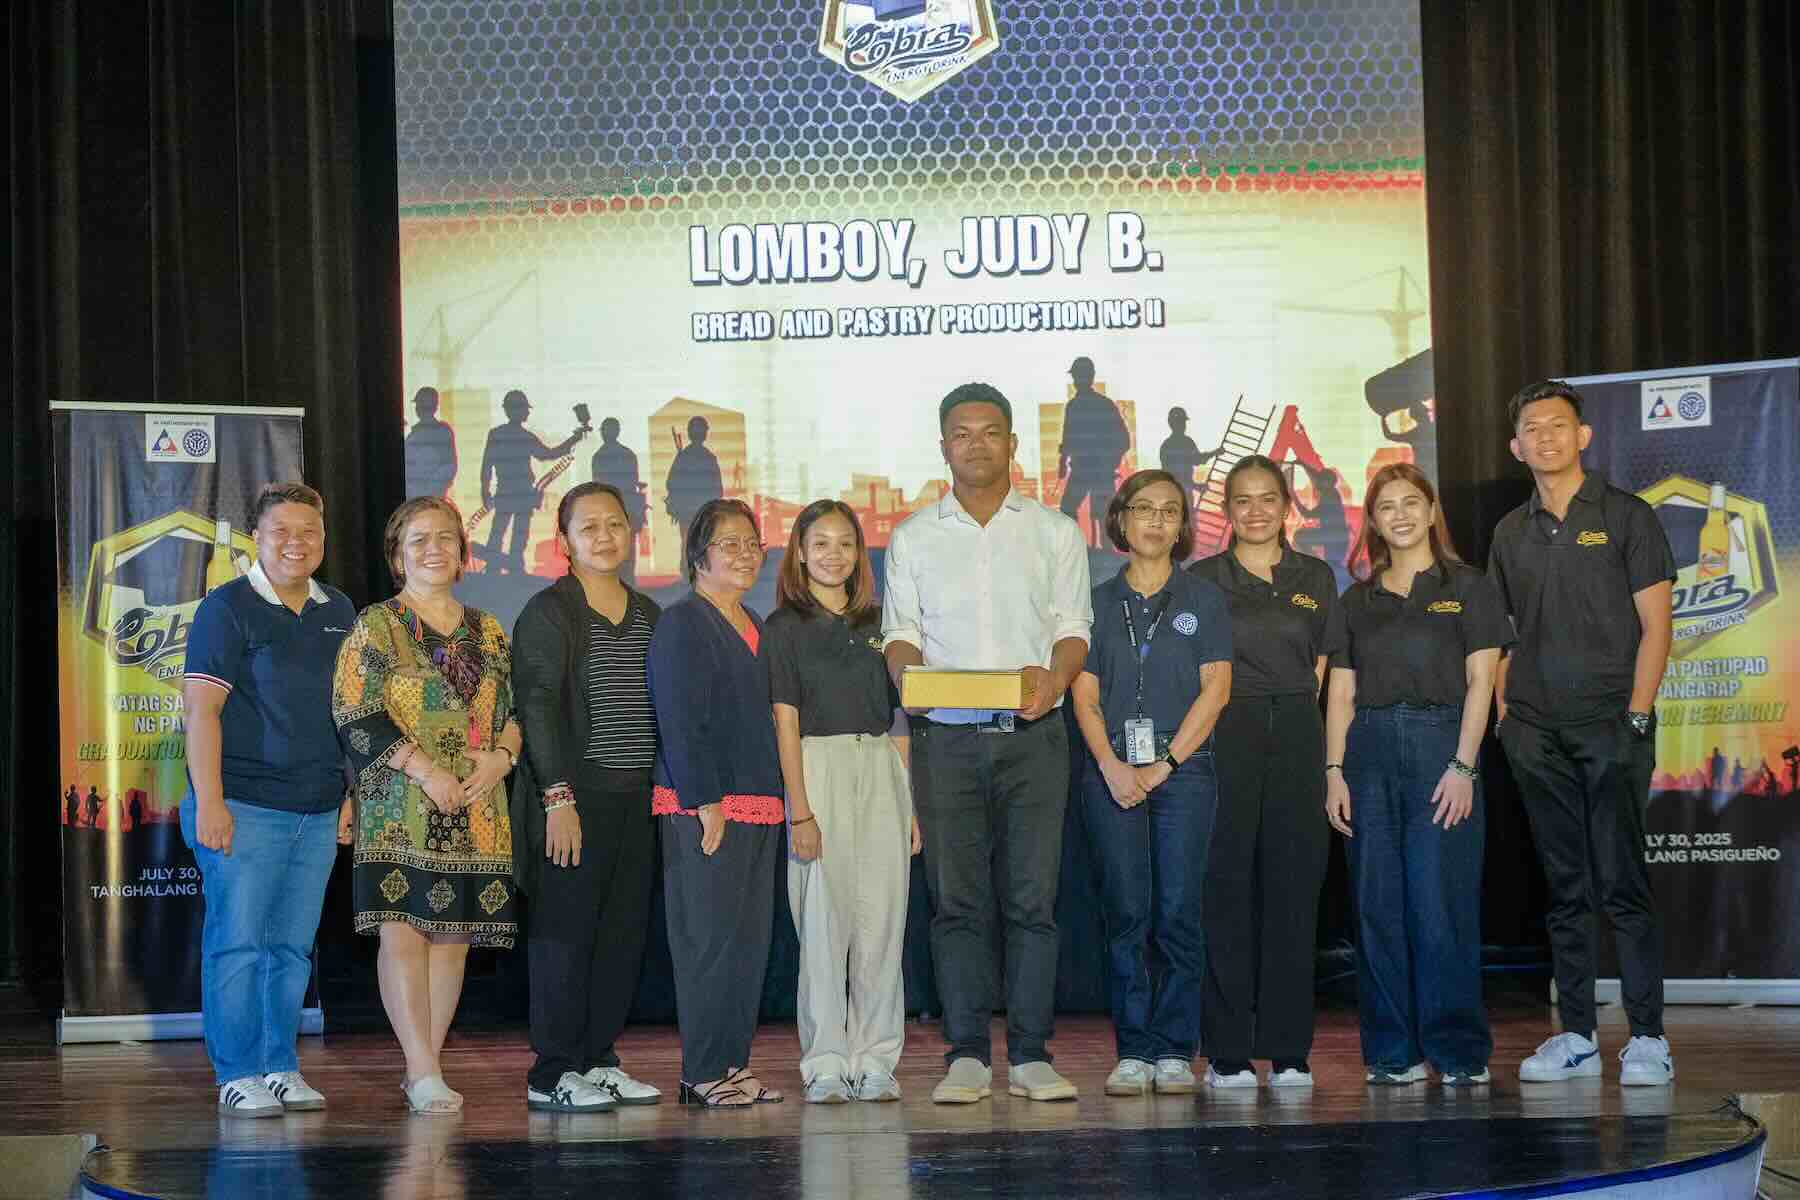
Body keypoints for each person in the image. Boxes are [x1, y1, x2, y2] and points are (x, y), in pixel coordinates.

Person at [883, 382, 1093, 1105]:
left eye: (990, 431)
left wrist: (1055, 679)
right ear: (944, 446)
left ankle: (1031, 1054)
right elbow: (900, 634)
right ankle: (966, 1053)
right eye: (962, 433)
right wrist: (908, 678)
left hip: (1034, 739)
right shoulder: (914, 537)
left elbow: (1074, 630)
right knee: (956, 904)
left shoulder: (1054, 532)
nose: (976, 444)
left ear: (1013, 444)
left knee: (1033, 901)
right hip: (946, 742)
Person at [1488, 380, 1676, 1087]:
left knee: (1623, 883)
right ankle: (1576, 1036)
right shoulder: (1510, 531)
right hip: (1536, 733)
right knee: (1565, 888)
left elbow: (1658, 625)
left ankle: (1649, 1037)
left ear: (1583, 436)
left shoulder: (1627, 516)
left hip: (1611, 726)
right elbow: (1503, 634)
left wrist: (1637, 714)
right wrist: (1507, 719)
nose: (1546, 437)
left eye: (1558, 425)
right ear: (1517, 446)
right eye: (1532, 428)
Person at [333, 496, 523, 1115]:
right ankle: (420, 1068)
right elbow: (355, 714)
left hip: (475, 802)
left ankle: (428, 1065)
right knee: (404, 932)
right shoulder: (376, 625)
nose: (434, 548)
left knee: (452, 938)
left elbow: (515, 712)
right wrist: (427, 770)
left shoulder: (489, 629)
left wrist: (502, 758)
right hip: (401, 802)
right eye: (419, 540)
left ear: (463, 553)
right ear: (397, 557)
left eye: (446, 537)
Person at [1324, 462, 1510, 1088]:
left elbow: (1482, 683)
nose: (1399, 515)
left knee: (1440, 905)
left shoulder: (1471, 587)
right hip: (1368, 753)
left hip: (1441, 747)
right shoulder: (1356, 600)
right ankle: (1392, 1052)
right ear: (1373, 522)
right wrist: (1334, 771)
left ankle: (1457, 1051)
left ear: (1431, 511)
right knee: (1377, 906)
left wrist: (1463, 766)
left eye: (1410, 502)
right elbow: (1341, 694)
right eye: (1386, 506)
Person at [180, 482, 353, 1117]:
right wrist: (211, 802)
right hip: (244, 806)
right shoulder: (226, 607)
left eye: (309, 531)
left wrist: (350, 794)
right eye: (281, 530)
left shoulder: (340, 608)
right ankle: (237, 1073)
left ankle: (280, 1065)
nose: (295, 543)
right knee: (238, 946)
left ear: (324, 539)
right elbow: (202, 713)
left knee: (291, 949)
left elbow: (349, 712)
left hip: (319, 809)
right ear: (257, 537)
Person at [1069, 470, 1232, 1096]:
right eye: (1144, 509)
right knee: (1127, 913)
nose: (1157, 521)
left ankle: (1174, 1050)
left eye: (1169, 511)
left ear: (1183, 525)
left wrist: (1164, 765)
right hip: (1110, 769)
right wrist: (1112, 766)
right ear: (1121, 519)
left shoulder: (1204, 599)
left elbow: (1216, 690)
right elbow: (1085, 695)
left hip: (1183, 771)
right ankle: (1134, 1049)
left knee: (1178, 913)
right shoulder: (1095, 602)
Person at [1187, 454, 1344, 1089]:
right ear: (1228, 510)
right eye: (1243, 500)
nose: (1256, 511)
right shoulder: (1203, 579)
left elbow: (1324, 668)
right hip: (1227, 732)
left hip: (1298, 733)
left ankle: (1288, 1049)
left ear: (1286, 506)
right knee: (1224, 890)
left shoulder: (1316, 576)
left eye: (1268, 499)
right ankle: (1226, 1052)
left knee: (1293, 891)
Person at [509, 483, 663, 1113]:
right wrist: (558, 797)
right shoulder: (549, 612)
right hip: (574, 800)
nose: (604, 537)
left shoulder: (651, 614)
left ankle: (599, 1060)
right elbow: (538, 707)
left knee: (621, 937)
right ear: (565, 542)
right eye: (589, 527)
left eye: (615, 524)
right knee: (564, 936)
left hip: (637, 800)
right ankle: (552, 1071)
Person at [766, 500, 919, 1104]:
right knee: (823, 925)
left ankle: (876, 1058)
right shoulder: (784, 627)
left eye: (846, 543)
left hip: (880, 766)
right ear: (801, 554)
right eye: (821, 543)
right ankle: (826, 1060)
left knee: (883, 922)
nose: (835, 555)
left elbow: (900, 720)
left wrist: (910, 804)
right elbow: (785, 721)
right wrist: (800, 810)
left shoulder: (883, 625)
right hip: (819, 768)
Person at [648, 498, 785, 1108]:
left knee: (746, 944)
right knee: (706, 941)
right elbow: (678, 720)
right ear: (698, 555)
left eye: (752, 544)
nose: (745, 554)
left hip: (760, 802)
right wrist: (705, 799)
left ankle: (734, 1063)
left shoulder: (755, 621)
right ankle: (701, 1071)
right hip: (703, 806)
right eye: (729, 544)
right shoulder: (683, 622)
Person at [479, 390, 587, 575]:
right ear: (517, 410)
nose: (527, 412)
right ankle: (513, 569)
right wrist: (573, 440)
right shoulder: (522, 436)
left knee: (500, 532)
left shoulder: (497, 434)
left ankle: (494, 569)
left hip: (507, 492)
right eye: (525, 409)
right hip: (520, 492)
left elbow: (486, 466)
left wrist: (485, 491)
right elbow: (548, 454)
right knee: (517, 535)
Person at [1058, 357, 1132, 544]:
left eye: (1078, 376)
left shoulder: (1076, 406)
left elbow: (1123, 440)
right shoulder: (1101, 405)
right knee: (1098, 515)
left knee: (1089, 513)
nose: (1076, 381)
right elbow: (1124, 440)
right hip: (1094, 471)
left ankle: (1079, 548)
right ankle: (1085, 550)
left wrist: (1108, 462)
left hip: (1089, 471)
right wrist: (1110, 461)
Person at [664, 415, 725, 548]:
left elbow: (670, 483)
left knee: (687, 546)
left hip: (686, 512)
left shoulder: (683, 457)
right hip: (704, 514)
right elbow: (718, 490)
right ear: (704, 434)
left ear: (689, 433)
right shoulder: (709, 458)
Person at [1158, 407, 1219, 512]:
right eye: (1180, 422)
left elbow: (1197, 460)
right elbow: (1174, 478)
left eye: (1183, 422)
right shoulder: (1179, 444)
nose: (1183, 425)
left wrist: (1215, 452)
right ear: (1172, 424)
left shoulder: (1170, 445)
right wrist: (1196, 486)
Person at [405, 386, 458, 500]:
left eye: (419, 404)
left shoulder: (441, 431)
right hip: (416, 498)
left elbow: (449, 467)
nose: (417, 408)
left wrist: (429, 492)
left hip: (429, 499)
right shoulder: (414, 434)